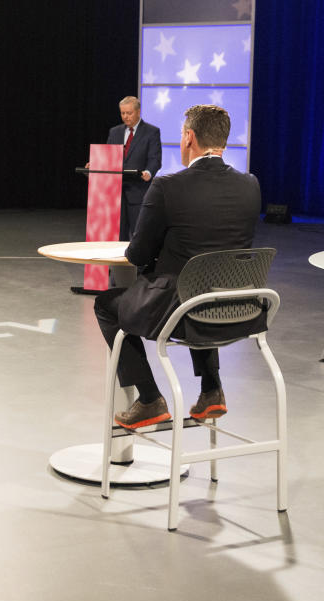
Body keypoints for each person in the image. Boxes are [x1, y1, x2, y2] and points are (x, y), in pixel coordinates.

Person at [94, 104, 261, 429]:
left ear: (189, 137)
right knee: (204, 285)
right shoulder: (250, 185)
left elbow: (138, 254)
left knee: (106, 305)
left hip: (181, 312)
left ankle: (149, 398)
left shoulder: (168, 186)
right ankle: (212, 390)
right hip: (238, 308)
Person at [107, 96, 162, 239]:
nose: (125, 116)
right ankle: (116, 261)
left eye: (129, 113)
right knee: (118, 235)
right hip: (116, 193)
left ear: (138, 112)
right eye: (122, 113)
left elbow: (155, 159)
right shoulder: (115, 132)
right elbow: (108, 157)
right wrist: (96, 163)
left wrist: (149, 172)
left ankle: (137, 261)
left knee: (138, 234)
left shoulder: (151, 132)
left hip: (138, 191)